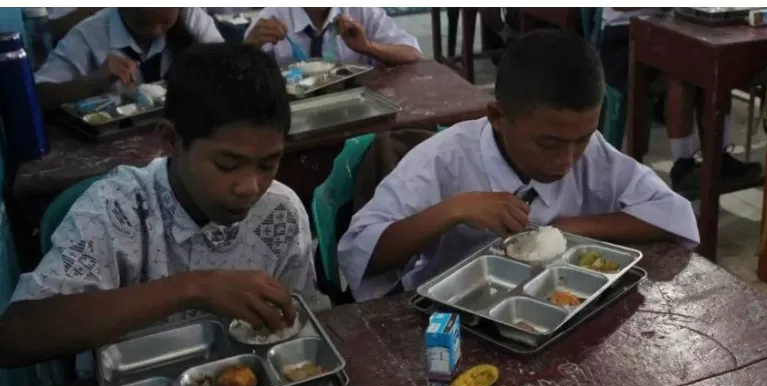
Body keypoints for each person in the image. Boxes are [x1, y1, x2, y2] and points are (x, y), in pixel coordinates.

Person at [0, 43, 322, 369]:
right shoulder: (118, 209)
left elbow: (302, 323)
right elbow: (15, 335)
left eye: (268, 164)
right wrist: (193, 287)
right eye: (227, 164)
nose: (250, 188)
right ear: (170, 141)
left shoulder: (280, 213)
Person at [338, 30, 699, 301]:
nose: (568, 159)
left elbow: (673, 213)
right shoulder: (442, 160)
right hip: (454, 317)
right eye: (548, 144)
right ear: (497, 117)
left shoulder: (592, 154)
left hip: (559, 305)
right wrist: (453, 210)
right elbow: (358, 254)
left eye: (584, 137)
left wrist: (570, 227)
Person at [597, 8, 762, 199]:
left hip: (677, 28)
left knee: (715, 63)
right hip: (624, 37)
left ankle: (718, 158)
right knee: (682, 71)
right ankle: (682, 164)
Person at [34, 7, 224, 110]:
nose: (156, 31)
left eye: (165, 22)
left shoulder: (190, 16)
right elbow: (37, 95)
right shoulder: (88, 36)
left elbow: (225, 69)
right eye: (143, 24)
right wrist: (93, 82)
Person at [244, 7, 421, 68]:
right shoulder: (271, 17)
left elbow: (412, 53)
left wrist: (367, 47)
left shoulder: (360, 10)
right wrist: (248, 46)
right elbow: (237, 80)